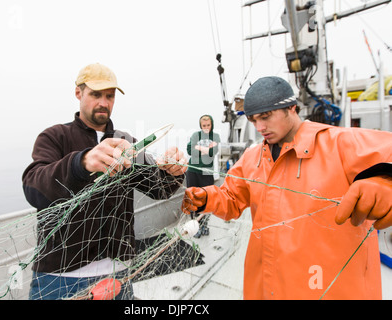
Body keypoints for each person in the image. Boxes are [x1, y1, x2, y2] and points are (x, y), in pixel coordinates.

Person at [181, 76, 392, 300]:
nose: (260, 127)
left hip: (330, 289)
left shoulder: (339, 142)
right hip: (269, 286)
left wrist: (385, 180)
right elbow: (231, 197)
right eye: (253, 120)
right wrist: (205, 198)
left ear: (291, 108)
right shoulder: (252, 157)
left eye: (266, 116)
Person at [22, 63, 187, 300]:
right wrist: (81, 163)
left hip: (118, 276)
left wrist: (174, 171)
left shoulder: (126, 141)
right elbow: (33, 187)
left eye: (109, 96)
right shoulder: (54, 136)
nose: (103, 102)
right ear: (78, 93)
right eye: (95, 94)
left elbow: (158, 188)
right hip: (60, 279)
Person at [186, 114, 220, 237]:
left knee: (206, 200)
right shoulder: (195, 135)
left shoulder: (215, 137)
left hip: (207, 172)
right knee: (193, 199)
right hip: (193, 170)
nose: (206, 127)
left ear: (212, 125)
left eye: (208, 125)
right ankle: (195, 227)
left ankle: (204, 225)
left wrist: (198, 147)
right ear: (200, 125)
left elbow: (213, 152)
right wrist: (205, 149)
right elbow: (190, 151)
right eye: (203, 125)